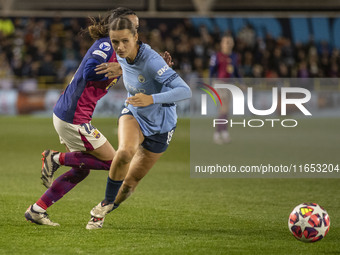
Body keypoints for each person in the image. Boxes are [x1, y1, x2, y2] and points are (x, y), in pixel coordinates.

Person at [24, 8, 162, 227]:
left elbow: (139, 68)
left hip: (70, 114)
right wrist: (121, 69)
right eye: (131, 25)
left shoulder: (121, 51)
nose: (135, 30)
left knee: (81, 170)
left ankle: (37, 209)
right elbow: (89, 71)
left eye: (137, 27)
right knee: (113, 162)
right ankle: (55, 158)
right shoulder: (106, 45)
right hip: (73, 116)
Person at [85, 17, 192, 229]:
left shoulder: (152, 60)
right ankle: (105, 204)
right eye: (115, 42)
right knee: (125, 152)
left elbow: (185, 90)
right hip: (135, 113)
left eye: (125, 41)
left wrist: (151, 98)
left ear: (136, 37)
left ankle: (104, 209)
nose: (120, 47)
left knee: (128, 185)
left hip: (162, 126)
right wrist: (120, 68)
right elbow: (129, 66)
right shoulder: (121, 54)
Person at [209, 34, 240, 144]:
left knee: (225, 110)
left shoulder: (234, 56)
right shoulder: (216, 56)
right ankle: (218, 134)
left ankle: (223, 132)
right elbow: (211, 71)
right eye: (226, 41)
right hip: (220, 83)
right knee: (224, 108)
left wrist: (241, 82)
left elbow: (236, 71)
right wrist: (210, 83)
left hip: (230, 84)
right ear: (222, 44)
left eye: (230, 42)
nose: (228, 44)